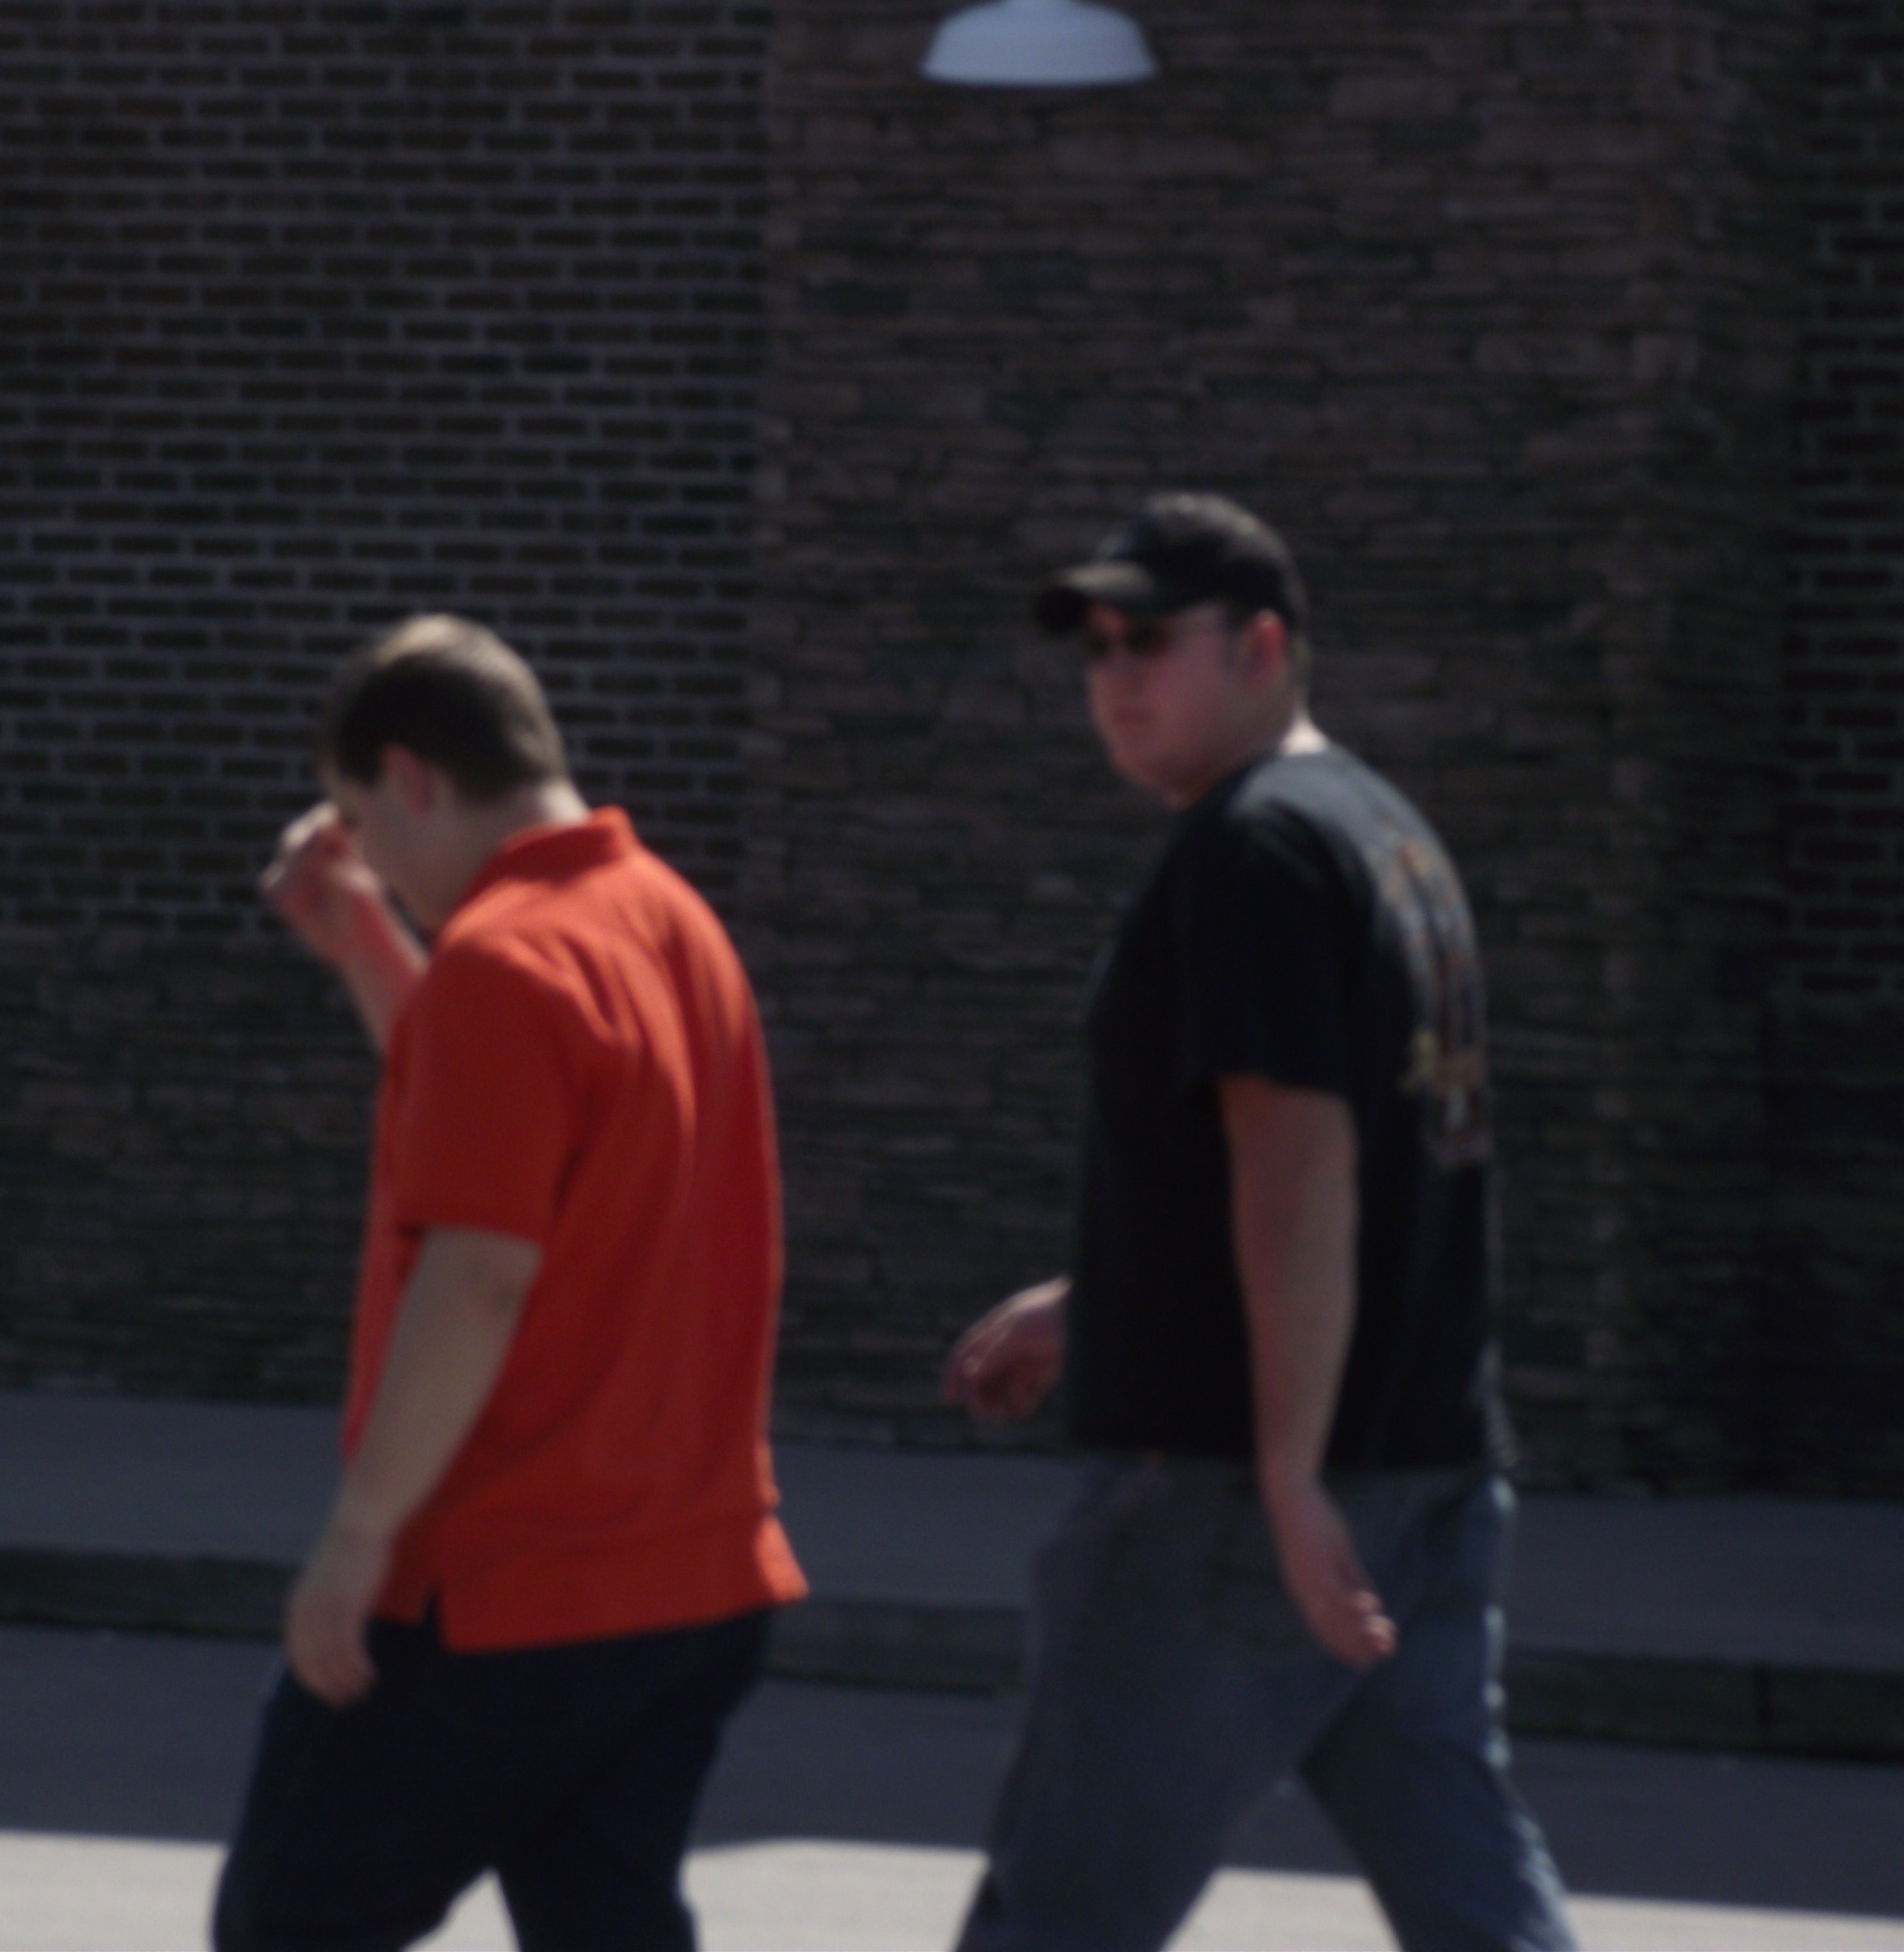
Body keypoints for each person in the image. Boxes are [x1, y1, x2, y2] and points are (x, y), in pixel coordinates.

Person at [942, 495, 1578, 1952]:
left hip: (1234, 1490)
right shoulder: (1379, 833)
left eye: (1151, 642)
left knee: (1059, 1907)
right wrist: (1100, 1299)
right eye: (1097, 648)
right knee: (1466, 1879)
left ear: (1264, 648)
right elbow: (1359, 1169)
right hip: (1421, 1466)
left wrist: (1288, 1479)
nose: (1115, 677)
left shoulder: (1255, 851)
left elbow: (1297, 1164)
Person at [213, 614, 806, 1952]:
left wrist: (360, 1535)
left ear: (413, 779)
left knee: (292, 1921)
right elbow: (510, 1131)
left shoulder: (502, 960)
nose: (368, 857)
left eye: (360, 822)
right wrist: (367, 945)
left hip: (499, 1587)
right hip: (683, 1584)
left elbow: (480, 1268)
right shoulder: (667, 920)